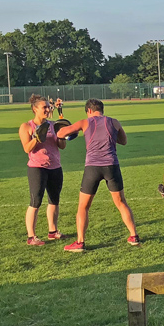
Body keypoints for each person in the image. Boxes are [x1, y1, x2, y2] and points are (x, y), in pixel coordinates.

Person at [56, 99, 140, 252]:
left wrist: (69, 129)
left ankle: (80, 242)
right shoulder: (114, 122)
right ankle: (134, 236)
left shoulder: (85, 122)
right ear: (102, 109)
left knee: (83, 206)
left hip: (93, 167)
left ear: (89, 111)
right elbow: (124, 141)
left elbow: (61, 133)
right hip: (112, 166)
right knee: (121, 202)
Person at [19, 94, 68, 245]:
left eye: (48, 107)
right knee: (36, 201)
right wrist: (37, 138)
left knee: (54, 200)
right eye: (44, 107)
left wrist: (62, 136)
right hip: (37, 168)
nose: (47, 109)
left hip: (55, 167)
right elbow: (27, 148)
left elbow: (62, 146)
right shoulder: (26, 127)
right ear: (35, 109)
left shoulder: (53, 125)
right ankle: (31, 237)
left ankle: (53, 231)